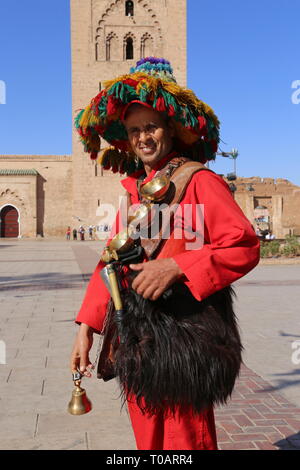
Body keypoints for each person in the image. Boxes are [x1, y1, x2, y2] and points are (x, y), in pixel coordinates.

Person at [70, 57, 260, 450]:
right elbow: (111, 262)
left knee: (184, 443)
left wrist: (177, 267)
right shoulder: (137, 193)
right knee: (148, 444)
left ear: (170, 130)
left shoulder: (200, 181)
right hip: (138, 342)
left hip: (186, 340)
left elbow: (243, 245)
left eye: (151, 127)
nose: (143, 138)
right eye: (135, 130)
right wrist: (87, 327)